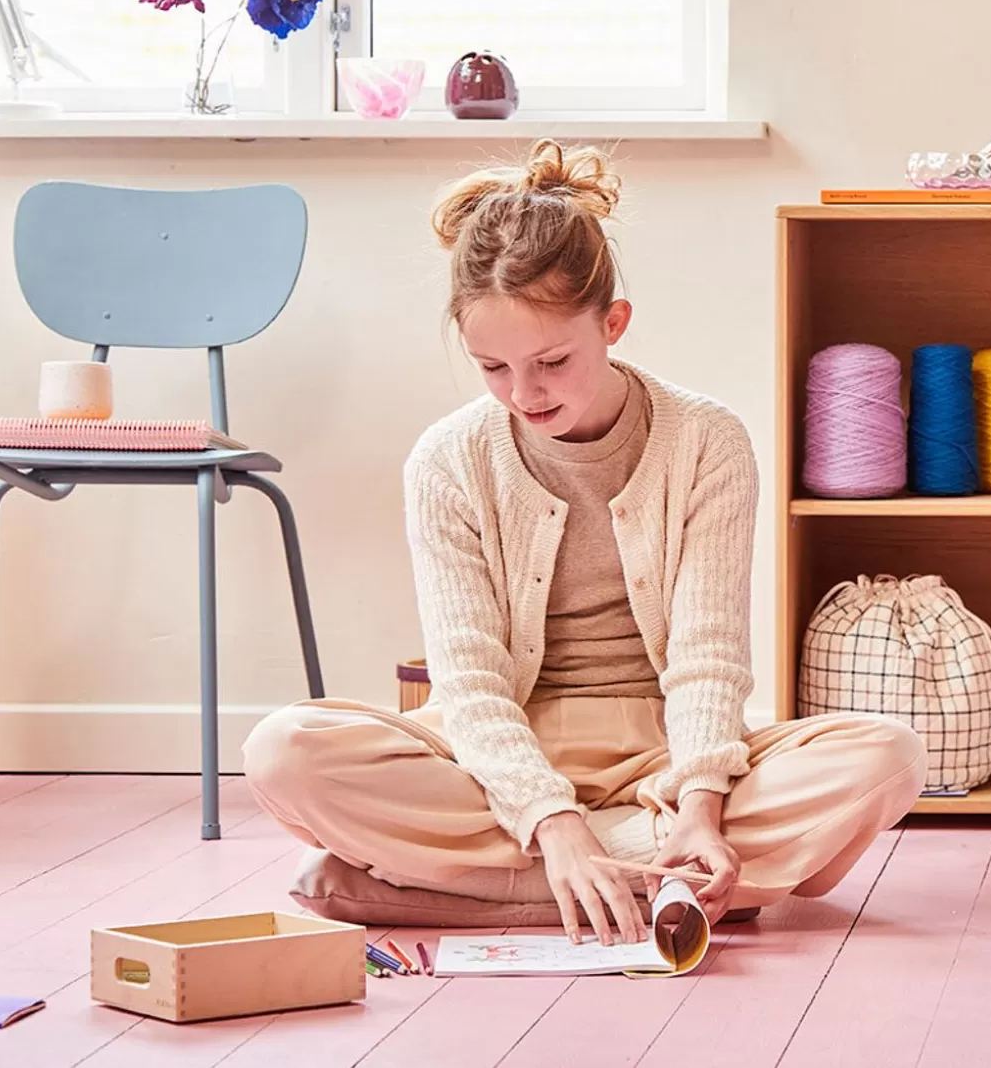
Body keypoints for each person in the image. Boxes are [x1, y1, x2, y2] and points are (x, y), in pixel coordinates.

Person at [244, 139, 926, 942]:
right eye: (492, 366)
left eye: (552, 361)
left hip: (664, 755)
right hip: (494, 755)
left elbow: (710, 655)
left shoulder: (708, 439)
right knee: (284, 751)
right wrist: (554, 824)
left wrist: (701, 806)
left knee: (886, 755)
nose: (523, 393)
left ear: (613, 323)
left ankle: (445, 891)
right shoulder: (447, 460)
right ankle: (641, 884)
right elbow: (470, 684)